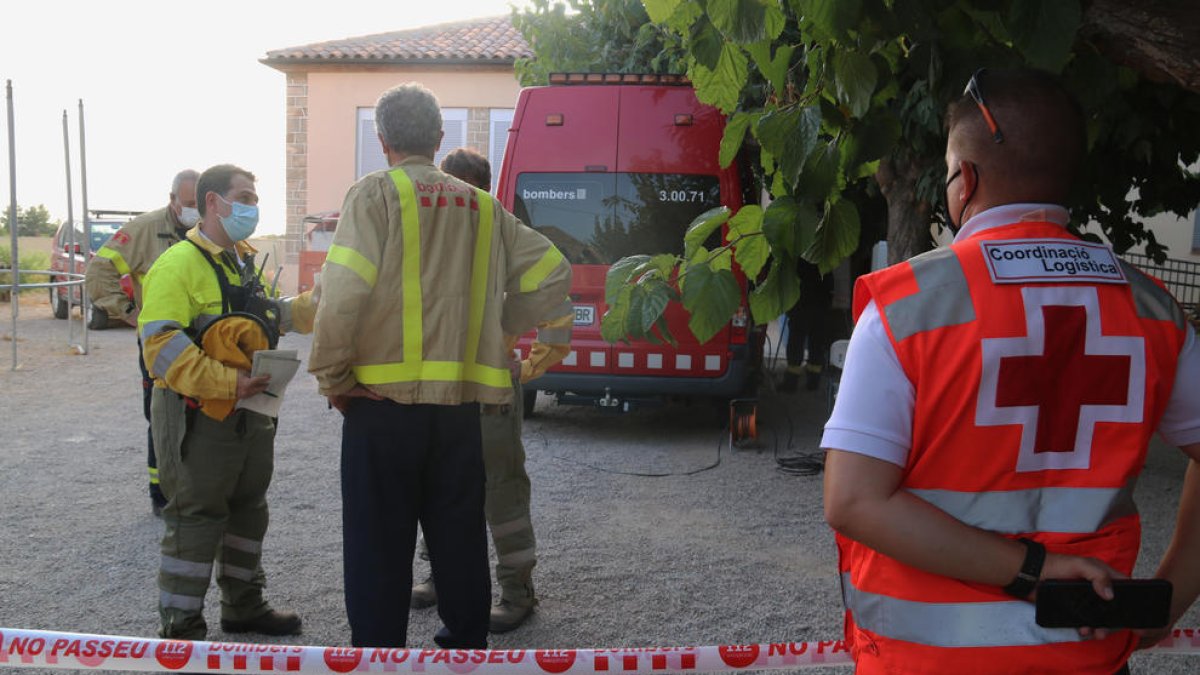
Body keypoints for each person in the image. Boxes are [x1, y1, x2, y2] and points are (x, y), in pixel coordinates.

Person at [822, 67, 1200, 674]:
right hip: (1090, 657)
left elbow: (854, 502)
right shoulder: (1152, 310)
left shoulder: (907, 307)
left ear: (964, 181)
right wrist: (1171, 597)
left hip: (926, 663)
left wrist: (1034, 572)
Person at [308, 83, 572, 649]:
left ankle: (380, 656)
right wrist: (501, 326)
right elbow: (553, 272)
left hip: (380, 408)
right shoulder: (483, 206)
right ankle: (464, 646)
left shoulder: (374, 195)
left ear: (382, 141)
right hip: (461, 410)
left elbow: (342, 292)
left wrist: (334, 378)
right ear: (439, 137)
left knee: (378, 545)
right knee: (458, 537)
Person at [138, 164, 315, 640]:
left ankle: (244, 606)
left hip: (249, 412)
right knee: (195, 516)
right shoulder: (178, 264)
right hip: (199, 414)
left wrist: (323, 300)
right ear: (212, 202)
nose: (252, 207)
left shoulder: (241, 261)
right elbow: (159, 344)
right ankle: (181, 626)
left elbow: (272, 316)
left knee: (248, 509)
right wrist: (224, 382)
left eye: (255, 199)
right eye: (245, 197)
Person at [408, 147, 573, 634]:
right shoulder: (437, 235)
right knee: (438, 488)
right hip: (440, 388)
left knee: (501, 492)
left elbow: (555, 294)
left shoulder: (498, 232)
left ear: (478, 189)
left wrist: (523, 362)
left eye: (459, 186)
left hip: (487, 391)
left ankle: (517, 591)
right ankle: (440, 574)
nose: (450, 196)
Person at [85, 169, 200, 517]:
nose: (194, 210)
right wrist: (127, 311)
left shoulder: (209, 229)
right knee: (162, 415)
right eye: (188, 203)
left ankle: (195, 488)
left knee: (202, 415)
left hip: (203, 339)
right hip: (160, 342)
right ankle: (161, 493)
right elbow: (99, 269)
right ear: (173, 201)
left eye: (199, 203)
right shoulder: (145, 230)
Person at [780, 260, 833, 392]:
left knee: (796, 341)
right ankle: (813, 382)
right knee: (817, 343)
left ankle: (791, 382)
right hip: (820, 305)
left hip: (801, 304)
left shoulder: (801, 257)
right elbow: (830, 283)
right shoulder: (825, 257)